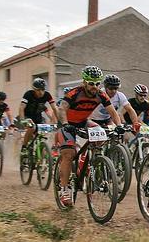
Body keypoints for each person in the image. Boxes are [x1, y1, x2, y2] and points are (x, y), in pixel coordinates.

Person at [55, 66, 121, 206]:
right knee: (68, 154)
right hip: (67, 124)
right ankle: (64, 189)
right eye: (91, 83)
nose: (94, 87)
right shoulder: (75, 93)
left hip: (83, 122)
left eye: (97, 83)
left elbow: (113, 113)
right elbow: (62, 109)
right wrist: (66, 123)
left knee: (102, 134)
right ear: (84, 82)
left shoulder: (101, 94)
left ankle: (93, 160)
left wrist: (119, 126)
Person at [19, 78, 59, 155]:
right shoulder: (28, 94)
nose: (41, 92)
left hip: (38, 117)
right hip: (28, 116)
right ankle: (24, 147)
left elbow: (54, 108)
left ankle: (41, 152)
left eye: (42, 89)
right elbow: (21, 107)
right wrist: (22, 119)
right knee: (32, 128)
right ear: (34, 89)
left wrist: (59, 121)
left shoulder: (47, 95)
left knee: (43, 132)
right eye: (38, 90)